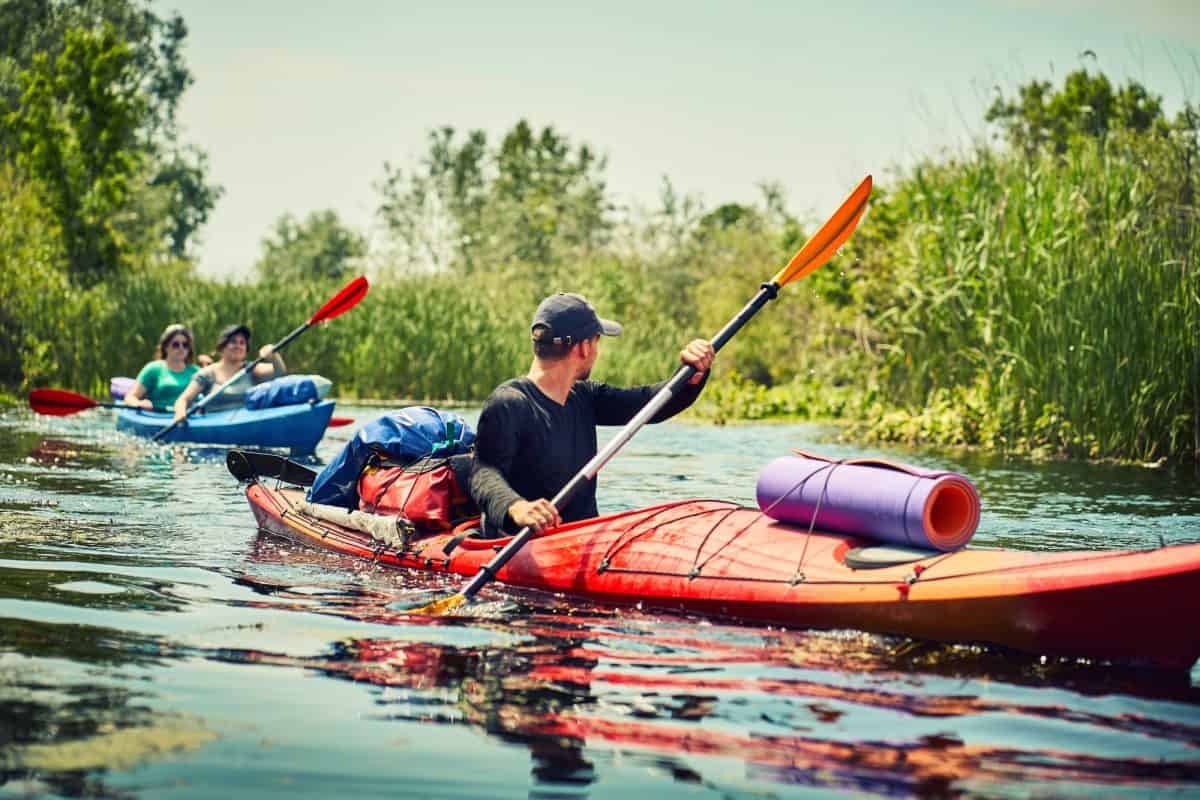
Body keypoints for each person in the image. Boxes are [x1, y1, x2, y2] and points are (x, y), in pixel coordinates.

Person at [470, 292, 715, 538]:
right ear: (585, 347)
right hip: (521, 541)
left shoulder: (585, 397)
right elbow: (483, 473)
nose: (597, 351)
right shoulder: (509, 403)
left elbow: (652, 404)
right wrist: (518, 507)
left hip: (581, 538)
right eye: (597, 341)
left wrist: (692, 374)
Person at [172, 324, 286, 422]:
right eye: (233, 342)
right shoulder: (207, 373)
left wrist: (273, 356)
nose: (238, 346)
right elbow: (183, 399)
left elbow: (279, 371)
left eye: (242, 343)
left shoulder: (251, 369)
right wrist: (180, 413)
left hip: (245, 421)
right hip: (216, 423)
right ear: (222, 347)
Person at [124, 324, 207, 411]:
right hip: (157, 419)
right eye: (176, 344)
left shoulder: (197, 372)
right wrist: (139, 404)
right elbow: (130, 397)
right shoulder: (153, 369)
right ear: (166, 347)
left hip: (188, 419)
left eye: (185, 345)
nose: (181, 348)